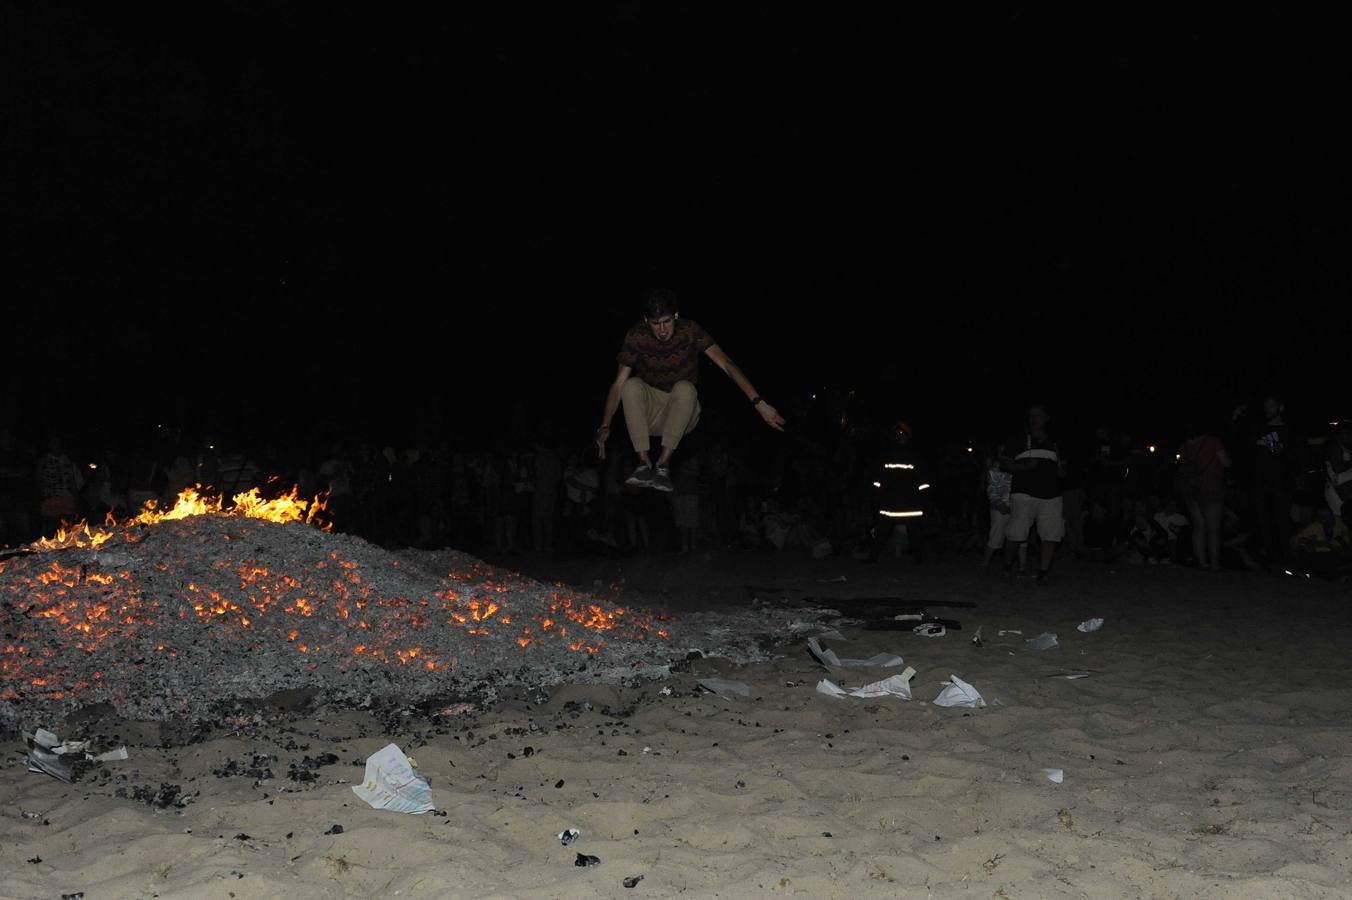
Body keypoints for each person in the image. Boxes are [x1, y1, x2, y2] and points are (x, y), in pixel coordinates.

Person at [595, 289, 785, 493]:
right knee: (630, 385)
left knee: (684, 388)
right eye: (655, 324)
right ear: (646, 320)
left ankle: (663, 464)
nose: (662, 330)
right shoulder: (636, 335)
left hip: (684, 413)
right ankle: (643, 463)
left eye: (667, 321)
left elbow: (726, 364)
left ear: (676, 315)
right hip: (652, 414)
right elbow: (617, 384)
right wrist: (605, 425)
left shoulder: (690, 331)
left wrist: (759, 403)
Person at [1001, 406, 1065, 585]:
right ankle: (1006, 566)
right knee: (1016, 532)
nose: (1034, 419)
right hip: (1024, 493)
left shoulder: (1055, 442)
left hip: (1051, 494)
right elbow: (1004, 464)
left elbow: (1063, 470)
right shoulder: (1018, 439)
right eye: (1031, 416)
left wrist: (1062, 470)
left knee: (1050, 534)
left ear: (1046, 418)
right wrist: (1024, 467)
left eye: (1038, 416)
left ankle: (1043, 572)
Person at [1177, 424, 1231, 570]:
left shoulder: (1186, 445)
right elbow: (1225, 462)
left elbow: (1183, 465)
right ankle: (1214, 563)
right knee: (1213, 528)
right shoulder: (1214, 441)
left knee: (1199, 526)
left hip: (1192, 489)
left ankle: (1202, 562)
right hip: (1211, 487)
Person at [1324, 423, 1352, 525]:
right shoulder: (1334, 448)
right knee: (1340, 521)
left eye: (1349, 433)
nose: (1349, 435)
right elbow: (1337, 468)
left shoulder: (1345, 447)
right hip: (1338, 492)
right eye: (1346, 433)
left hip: (1345, 491)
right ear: (1337, 435)